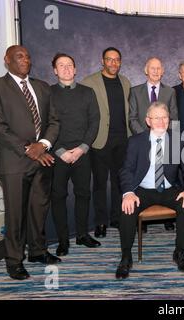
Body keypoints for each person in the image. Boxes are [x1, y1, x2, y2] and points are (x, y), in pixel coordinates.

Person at [0, 45, 60, 280]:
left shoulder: (42, 87)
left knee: (38, 209)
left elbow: (54, 121)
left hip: (42, 159)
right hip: (14, 161)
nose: (25, 59)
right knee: (15, 215)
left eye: (27, 56)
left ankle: (37, 251)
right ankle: (14, 261)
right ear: (7, 60)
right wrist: (29, 149)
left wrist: (43, 144)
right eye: (19, 56)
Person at [116, 102, 184, 279]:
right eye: (156, 117)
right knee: (127, 207)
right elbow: (126, 170)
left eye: (164, 117)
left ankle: (180, 251)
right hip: (143, 189)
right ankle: (126, 256)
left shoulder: (178, 140)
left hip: (168, 188)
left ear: (169, 119)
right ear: (148, 121)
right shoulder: (136, 141)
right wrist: (128, 193)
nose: (161, 121)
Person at [50, 53, 101, 256]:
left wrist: (82, 148)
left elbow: (94, 122)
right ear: (55, 70)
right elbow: (45, 125)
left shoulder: (87, 93)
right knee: (58, 196)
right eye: (61, 65)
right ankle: (63, 240)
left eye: (69, 65)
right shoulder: (48, 93)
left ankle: (82, 235)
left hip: (82, 153)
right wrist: (61, 151)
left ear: (75, 69)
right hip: (58, 154)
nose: (66, 68)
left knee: (83, 194)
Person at [81, 47, 131, 239]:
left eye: (117, 60)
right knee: (100, 184)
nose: (113, 63)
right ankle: (100, 222)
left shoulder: (125, 82)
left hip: (122, 140)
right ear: (102, 61)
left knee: (119, 182)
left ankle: (116, 218)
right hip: (100, 140)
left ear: (120, 62)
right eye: (109, 60)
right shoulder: (89, 82)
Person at [129, 57, 178, 231]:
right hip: (143, 141)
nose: (156, 71)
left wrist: (163, 136)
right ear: (146, 70)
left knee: (166, 173)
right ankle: (141, 221)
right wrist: (147, 138)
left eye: (159, 68)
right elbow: (132, 118)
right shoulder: (135, 91)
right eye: (152, 68)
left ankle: (167, 218)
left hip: (164, 141)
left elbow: (174, 118)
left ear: (163, 71)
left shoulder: (170, 92)